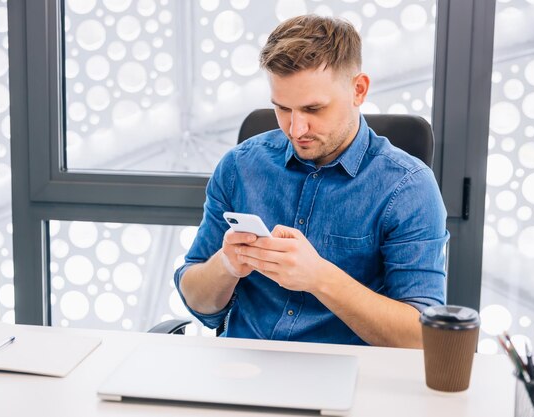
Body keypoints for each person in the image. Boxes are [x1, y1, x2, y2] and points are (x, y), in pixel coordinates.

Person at [174, 15, 449, 348]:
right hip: (242, 369)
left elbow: (422, 337)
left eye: (313, 109)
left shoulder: (408, 188)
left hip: (348, 378)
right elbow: (197, 299)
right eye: (283, 109)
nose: (296, 129)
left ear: (358, 90)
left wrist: (319, 277)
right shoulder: (239, 167)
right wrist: (227, 264)